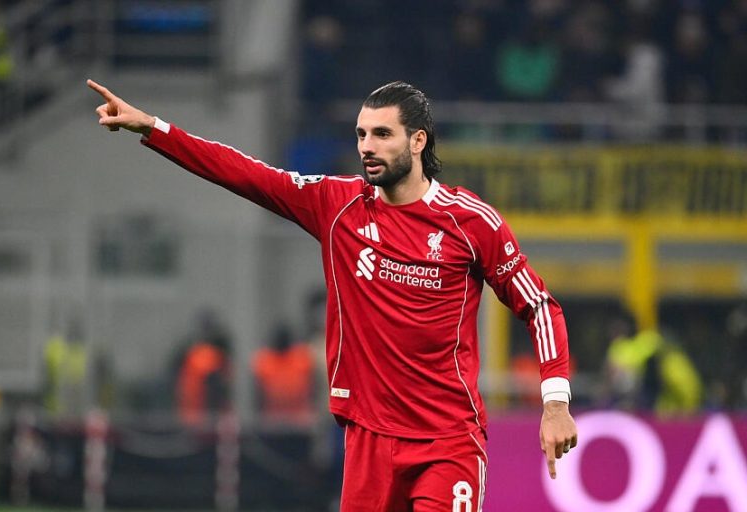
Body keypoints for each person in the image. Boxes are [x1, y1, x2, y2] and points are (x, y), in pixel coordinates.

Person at [87, 78, 577, 511]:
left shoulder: (470, 223)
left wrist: (555, 403)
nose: (367, 146)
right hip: (368, 440)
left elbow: (538, 306)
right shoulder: (337, 206)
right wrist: (153, 128)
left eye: (382, 134)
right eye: (361, 134)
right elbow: (246, 174)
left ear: (418, 140)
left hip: (447, 441)